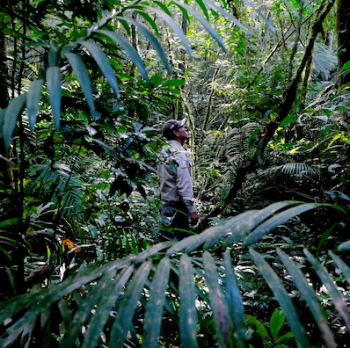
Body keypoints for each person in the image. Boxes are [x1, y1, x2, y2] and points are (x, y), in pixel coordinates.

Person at [158, 118, 199, 240]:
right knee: (177, 246)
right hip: (177, 207)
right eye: (182, 127)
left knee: (166, 243)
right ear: (176, 133)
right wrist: (192, 209)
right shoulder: (179, 152)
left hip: (165, 204)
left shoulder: (163, 150)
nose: (185, 129)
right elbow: (183, 183)